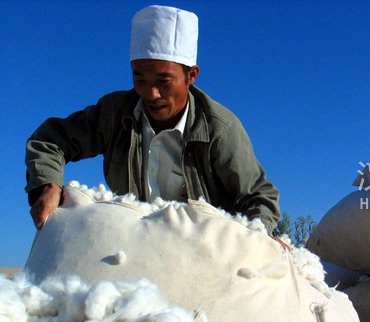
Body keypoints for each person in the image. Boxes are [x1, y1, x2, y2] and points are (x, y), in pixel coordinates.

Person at [26, 5, 281, 237]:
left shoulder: (219, 129)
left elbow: (259, 197)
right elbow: (50, 140)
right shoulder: (114, 114)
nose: (151, 94)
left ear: (191, 75)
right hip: (133, 245)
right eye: (140, 80)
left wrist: (258, 236)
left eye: (163, 81)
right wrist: (48, 185)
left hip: (203, 251)